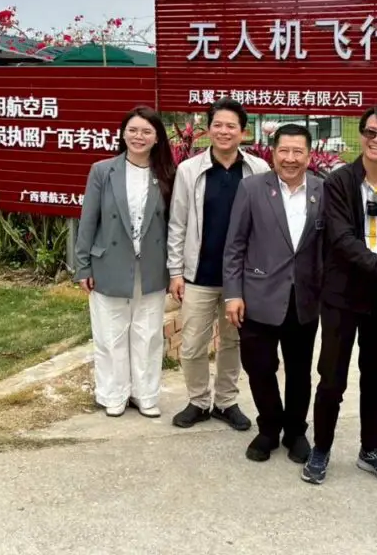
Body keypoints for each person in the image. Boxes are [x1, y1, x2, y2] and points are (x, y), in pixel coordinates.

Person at [302, 103, 377, 486]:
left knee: (375, 377)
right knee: (332, 378)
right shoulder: (339, 182)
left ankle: (370, 449)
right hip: (342, 295)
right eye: (371, 132)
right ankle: (321, 447)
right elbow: (342, 241)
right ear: (361, 135)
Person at [223, 123, 325, 465]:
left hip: (304, 298)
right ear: (272, 153)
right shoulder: (252, 188)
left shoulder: (322, 190)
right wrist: (233, 294)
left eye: (298, 151)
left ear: (309, 155)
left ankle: (295, 431)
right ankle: (268, 427)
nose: (290, 158)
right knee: (260, 366)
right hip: (257, 296)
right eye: (284, 151)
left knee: (300, 370)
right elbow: (235, 246)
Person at [167, 97, 270, 431]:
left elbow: (266, 223)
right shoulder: (189, 170)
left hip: (240, 278)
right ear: (208, 129)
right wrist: (176, 271)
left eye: (231, 126)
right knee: (193, 343)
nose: (224, 131)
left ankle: (226, 401)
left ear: (243, 132)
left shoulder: (258, 169)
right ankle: (198, 401)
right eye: (218, 125)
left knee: (233, 342)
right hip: (199, 273)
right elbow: (177, 223)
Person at [74, 105, 177, 418]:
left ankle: (145, 394)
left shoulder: (167, 174)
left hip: (152, 266)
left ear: (157, 137)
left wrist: (176, 270)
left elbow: (174, 225)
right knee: (110, 333)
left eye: (146, 131)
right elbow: (88, 220)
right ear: (122, 134)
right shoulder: (103, 171)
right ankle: (113, 393)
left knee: (148, 334)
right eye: (132, 130)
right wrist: (82, 266)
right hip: (108, 264)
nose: (138, 136)